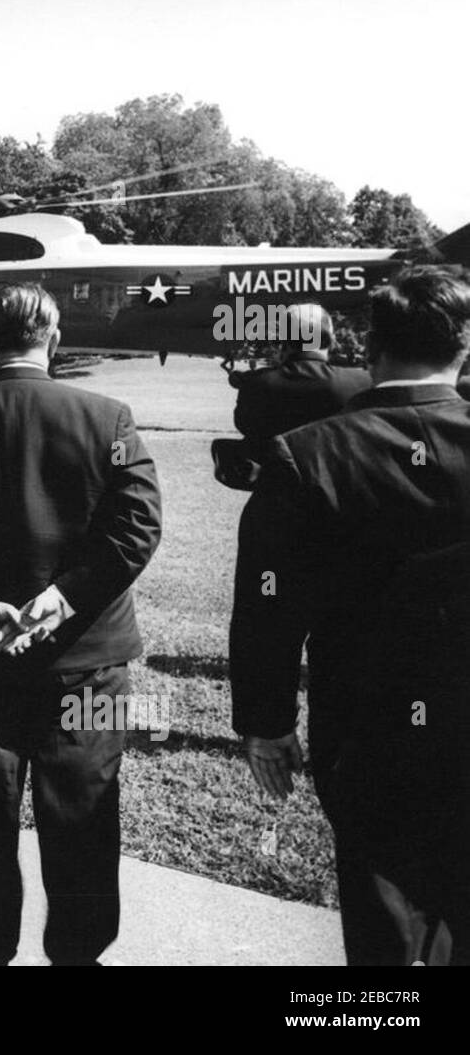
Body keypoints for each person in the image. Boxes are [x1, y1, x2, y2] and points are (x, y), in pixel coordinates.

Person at [230, 264, 470, 965]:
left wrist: (267, 722)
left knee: (379, 924)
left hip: (364, 727)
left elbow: (268, 602)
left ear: (370, 343)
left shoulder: (307, 455)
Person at [0, 284, 162, 966]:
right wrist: (64, 599)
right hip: (86, 656)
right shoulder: (108, 415)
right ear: (55, 340)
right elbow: (138, 527)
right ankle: (78, 952)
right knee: (83, 815)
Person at [221, 304, 369, 467]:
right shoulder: (362, 382)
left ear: (284, 341)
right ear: (331, 340)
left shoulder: (257, 384)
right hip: (342, 488)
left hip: (281, 488)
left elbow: (245, 425)